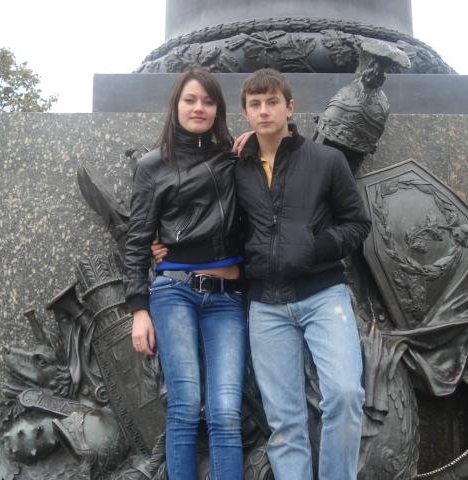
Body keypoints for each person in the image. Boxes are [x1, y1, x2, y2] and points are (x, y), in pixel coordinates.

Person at [233, 68, 371, 480]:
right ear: (245, 113)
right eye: (255, 104)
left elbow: (358, 224)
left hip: (323, 295)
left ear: (289, 107)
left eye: (272, 102)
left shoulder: (327, 161)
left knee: (345, 395)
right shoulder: (236, 168)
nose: (264, 111)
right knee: (284, 421)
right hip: (266, 305)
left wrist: (315, 247)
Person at [124, 67, 246, 480]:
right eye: (190, 99)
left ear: (218, 109)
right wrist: (138, 309)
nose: (199, 108)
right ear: (175, 105)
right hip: (174, 292)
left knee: (226, 411)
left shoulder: (235, 157)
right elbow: (137, 239)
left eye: (208, 101)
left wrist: (259, 139)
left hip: (227, 297)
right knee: (185, 406)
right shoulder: (152, 165)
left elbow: (282, 160)